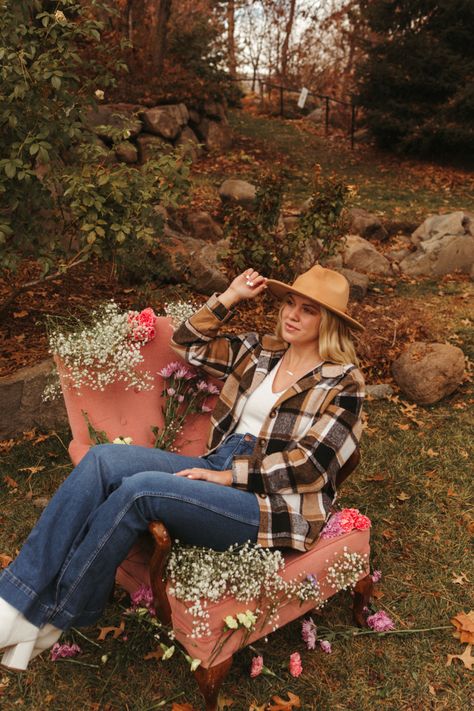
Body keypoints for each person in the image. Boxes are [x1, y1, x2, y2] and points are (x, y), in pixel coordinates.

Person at [0, 264, 365, 671]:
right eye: (290, 303)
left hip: (270, 507)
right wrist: (230, 296)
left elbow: (310, 465)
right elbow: (186, 343)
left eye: (308, 310)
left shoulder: (343, 384)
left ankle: (53, 616)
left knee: (140, 492)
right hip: (217, 464)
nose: (291, 315)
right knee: (103, 459)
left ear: (329, 322)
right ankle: (12, 601)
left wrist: (231, 476)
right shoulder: (263, 350)